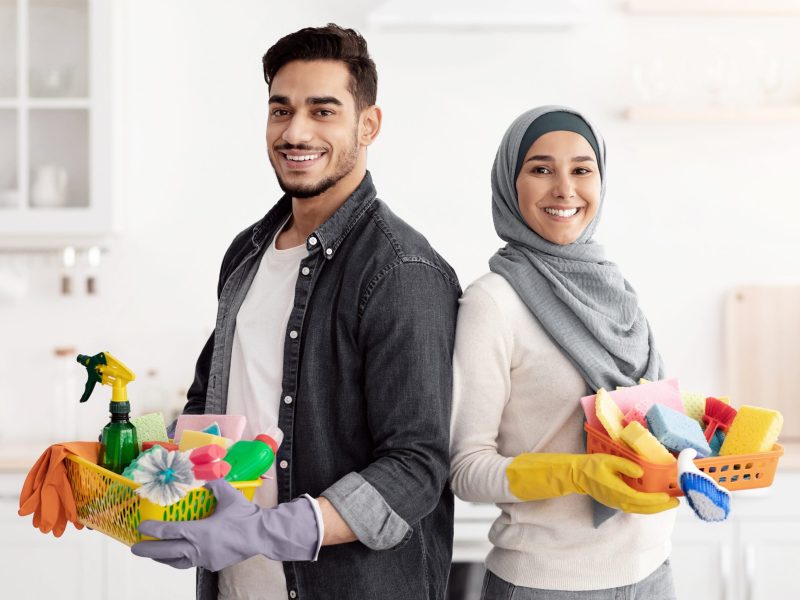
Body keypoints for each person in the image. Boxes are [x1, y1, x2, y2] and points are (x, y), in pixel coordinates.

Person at [132, 24, 460, 600]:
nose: (295, 131)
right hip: (238, 587)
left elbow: (414, 468)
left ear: (368, 125)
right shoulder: (248, 252)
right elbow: (210, 400)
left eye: (322, 111)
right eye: (280, 111)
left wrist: (261, 531)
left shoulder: (401, 271)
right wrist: (146, 467)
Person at [449, 106, 680, 600]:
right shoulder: (493, 302)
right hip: (545, 584)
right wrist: (577, 473)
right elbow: (466, 470)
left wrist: (698, 451)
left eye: (581, 169)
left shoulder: (613, 287)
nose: (565, 189)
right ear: (510, 185)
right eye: (540, 169)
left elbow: (646, 418)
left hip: (653, 571)